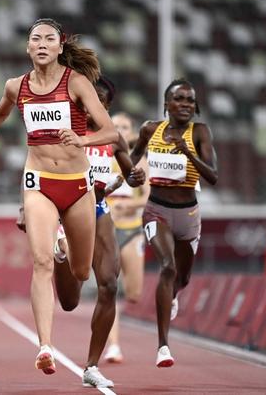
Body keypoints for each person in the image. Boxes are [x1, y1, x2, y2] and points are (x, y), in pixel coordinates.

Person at [0, 18, 118, 377]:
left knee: (80, 272)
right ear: (27, 48)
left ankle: (63, 252)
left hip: (77, 184)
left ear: (59, 48)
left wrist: (82, 140)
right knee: (38, 264)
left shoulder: (77, 82)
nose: (42, 43)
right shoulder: (16, 86)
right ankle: (45, 346)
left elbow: (111, 131)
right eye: (35, 38)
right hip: (38, 180)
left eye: (49, 39)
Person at [51, 76, 145, 387]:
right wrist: (27, 208)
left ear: (106, 105)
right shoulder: (65, 131)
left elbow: (130, 175)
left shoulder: (113, 137)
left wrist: (136, 176)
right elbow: (36, 167)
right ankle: (61, 253)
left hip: (99, 209)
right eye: (87, 100)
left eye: (100, 101)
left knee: (108, 284)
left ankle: (91, 366)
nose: (92, 107)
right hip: (66, 212)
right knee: (69, 302)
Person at [130, 78, 218, 367]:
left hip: (189, 215)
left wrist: (187, 151)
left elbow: (213, 177)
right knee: (167, 267)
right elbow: (131, 159)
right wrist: (131, 175)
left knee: (182, 278)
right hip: (157, 210)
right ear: (166, 104)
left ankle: (174, 294)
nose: (185, 105)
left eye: (190, 100)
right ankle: (163, 346)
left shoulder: (200, 132)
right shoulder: (150, 129)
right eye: (179, 99)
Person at [102, 112, 150, 363]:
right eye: (115, 125)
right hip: (107, 230)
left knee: (133, 294)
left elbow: (147, 197)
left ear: (131, 134)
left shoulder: (140, 162)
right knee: (110, 288)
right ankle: (114, 346)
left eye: (124, 127)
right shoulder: (100, 157)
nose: (119, 129)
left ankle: (116, 338)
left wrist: (129, 207)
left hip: (131, 230)